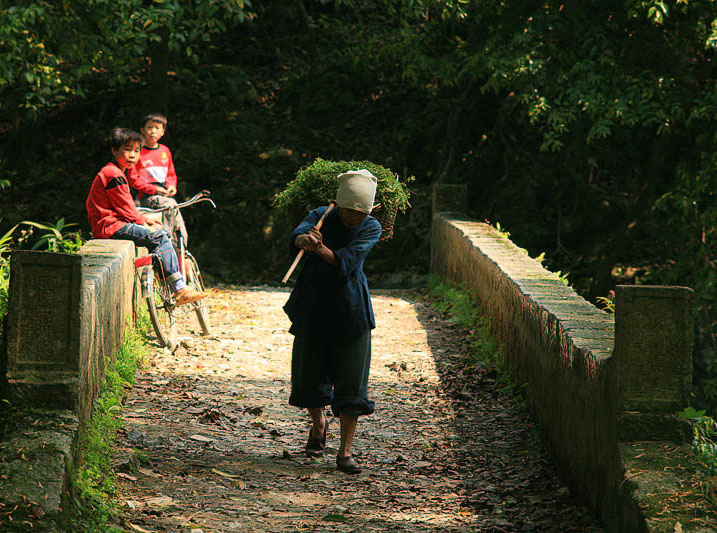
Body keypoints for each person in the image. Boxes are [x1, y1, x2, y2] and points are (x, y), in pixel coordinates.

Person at [283, 169, 382, 475]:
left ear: (368, 211)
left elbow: (348, 262)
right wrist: (304, 238)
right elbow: (297, 235)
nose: (353, 218)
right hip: (313, 304)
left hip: (351, 310)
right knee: (308, 375)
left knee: (352, 382)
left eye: (359, 213)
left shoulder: (372, 227)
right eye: (348, 211)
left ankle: (346, 451)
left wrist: (320, 248)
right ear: (339, 205)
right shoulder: (321, 214)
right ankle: (318, 424)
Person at [86, 127, 206, 306]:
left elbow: (125, 206)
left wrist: (143, 219)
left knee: (158, 233)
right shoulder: (113, 174)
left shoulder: (117, 171)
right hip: (110, 225)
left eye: (136, 150)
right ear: (114, 150)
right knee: (160, 235)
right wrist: (143, 220)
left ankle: (168, 282)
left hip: (112, 223)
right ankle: (179, 288)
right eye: (127, 149)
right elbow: (125, 207)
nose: (132, 155)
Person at [129, 112, 188, 247]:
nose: (152, 131)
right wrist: (155, 189)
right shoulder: (137, 151)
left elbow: (170, 174)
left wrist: (172, 186)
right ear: (142, 130)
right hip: (148, 196)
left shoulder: (165, 151)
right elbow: (134, 179)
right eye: (149, 127)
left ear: (163, 131)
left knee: (171, 206)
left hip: (164, 194)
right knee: (170, 205)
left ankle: (182, 245)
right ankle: (172, 244)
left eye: (157, 128)